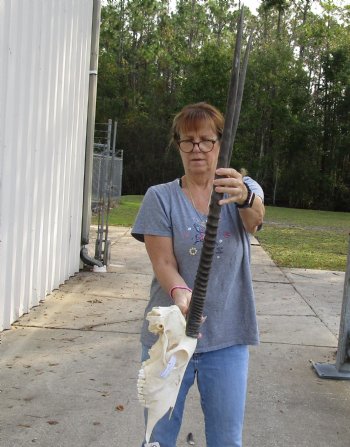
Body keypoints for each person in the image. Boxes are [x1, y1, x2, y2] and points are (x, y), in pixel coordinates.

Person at [132, 102, 265, 447]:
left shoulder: (239, 188)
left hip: (227, 337)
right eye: (188, 140)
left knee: (226, 439)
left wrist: (247, 198)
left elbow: (256, 222)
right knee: (158, 436)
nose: (197, 149)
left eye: (206, 140)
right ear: (178, 145)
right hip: (169, 337)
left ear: (220, 143)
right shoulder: (159, 198)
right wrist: (180, 293)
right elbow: (162, 261)